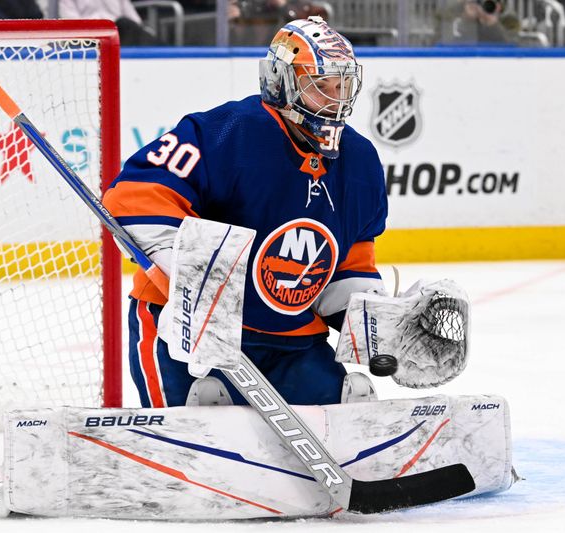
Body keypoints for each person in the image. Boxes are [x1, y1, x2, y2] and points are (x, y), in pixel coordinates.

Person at [102, 16, 387, 408]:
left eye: (342, 85)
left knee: (343, 412)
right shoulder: (228, 133)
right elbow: (134, 195)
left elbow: (351, 259)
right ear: (281, 82)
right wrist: (193, 279)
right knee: (194, 450)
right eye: (321, 86)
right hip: (193, 338)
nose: (336, 99)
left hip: (293, 343)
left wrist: (377, 326)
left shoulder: (361, 160)